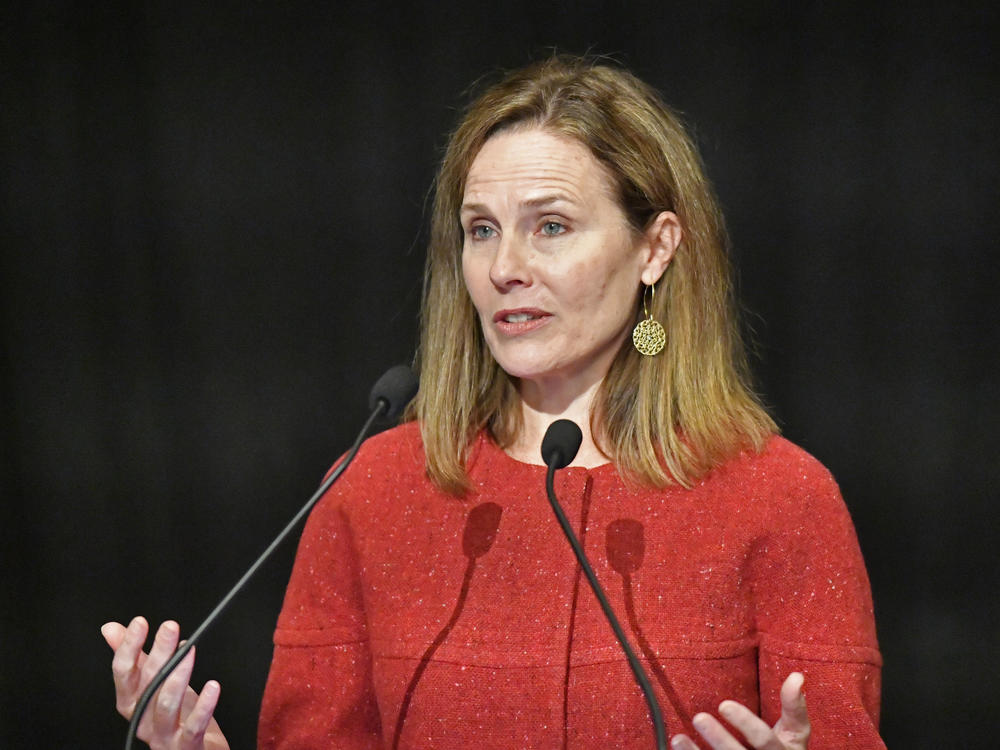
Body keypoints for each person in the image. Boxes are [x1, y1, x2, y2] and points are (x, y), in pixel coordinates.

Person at [103, 55, 884, 749]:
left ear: (656, 248)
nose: (506, 266)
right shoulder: (370, 492)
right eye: (481, 230)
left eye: (550, 226)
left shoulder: (781, 498)